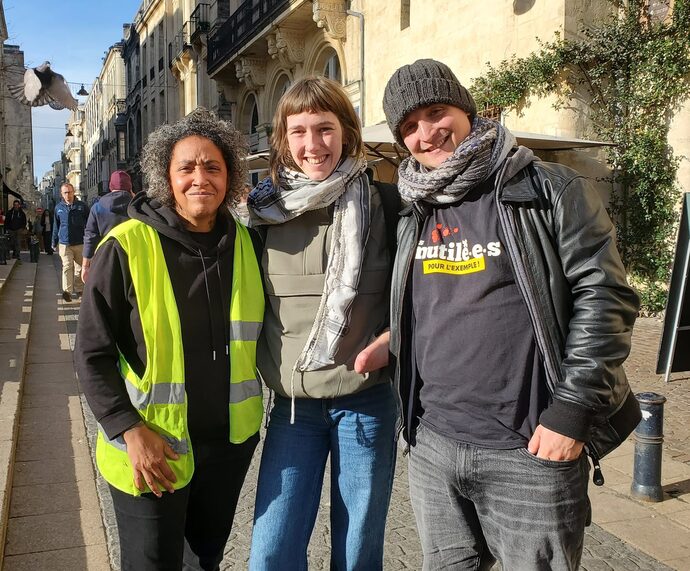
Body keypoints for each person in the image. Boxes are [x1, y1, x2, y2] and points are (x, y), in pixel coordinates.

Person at [383, 59, 642, 570]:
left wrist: (572, 410)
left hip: (529, 452)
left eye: (436, 112)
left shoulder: (547, 188)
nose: (426, 133)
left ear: (466, 109)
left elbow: (605, 295)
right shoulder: (414, 208)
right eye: (409, 126)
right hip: (433, 446)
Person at [75, 107, 264, 571]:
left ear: (230, 176)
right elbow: (91, 352)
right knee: (151, 564)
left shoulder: (247, 242)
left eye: (213, 166)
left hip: (225, 447)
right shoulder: (125, 246)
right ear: (166, 177)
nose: (201, 178)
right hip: (151, 448)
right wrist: (128, 429)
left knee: (205, 562)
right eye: (187, 167)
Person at [247, 76, 398, 570]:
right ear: (283, 139)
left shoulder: (388, 207)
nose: (313, 145)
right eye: (299, 131)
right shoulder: (261, 216)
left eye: (325, 129)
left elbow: (423, 296)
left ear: (348, 132)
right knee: (272, 550)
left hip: (367, 402)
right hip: (294, 408)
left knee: (356, 554)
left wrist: (393, 340)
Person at [81, 170, 134, 282]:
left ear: (111, 186)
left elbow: (90, 236)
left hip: (106, 258)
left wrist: (85, 266)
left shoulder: (97, 207)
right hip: (133, 258)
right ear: (130, 186)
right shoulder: (137, 206)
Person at [52, 183, 89, 301]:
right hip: (64, 243)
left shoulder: (82, 206)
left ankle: (80, 290)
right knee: (67, 266)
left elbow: (89, 224)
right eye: (65, 193)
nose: (68, 195)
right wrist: (54, 241)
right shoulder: (58, 208)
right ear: (61, 194)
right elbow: (56, 226)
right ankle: (67, 292)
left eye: (70, 192)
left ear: (73, 192)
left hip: (80, 242)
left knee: (79, 268)